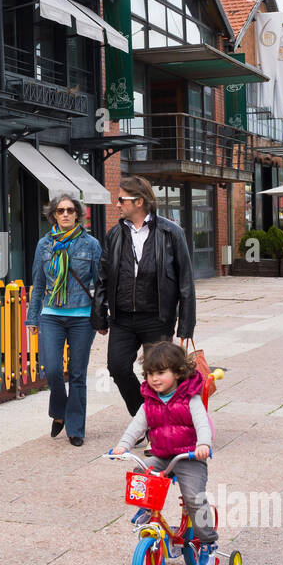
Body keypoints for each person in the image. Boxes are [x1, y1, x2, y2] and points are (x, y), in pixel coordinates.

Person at [92, 175, 196, 417]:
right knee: (117, 368)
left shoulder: (171, 233)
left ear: (139, 202)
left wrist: (186, 325)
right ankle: (146, 417)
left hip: (157, 317)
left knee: (159, 374)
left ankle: (161, 426)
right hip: (123, 318)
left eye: (121, 200)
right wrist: (98, 315)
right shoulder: (114, 235)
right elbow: (103, 277)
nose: (117, 204)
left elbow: (186, 282)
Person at [111, 341, 217, 565]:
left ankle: (208, 542)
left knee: (194, 498)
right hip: (162, 455)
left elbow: (203, 424)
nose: (154, 379)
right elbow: (136, 426)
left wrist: (203, 445)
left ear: (178, 373)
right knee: (141, 470)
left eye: (161, 373)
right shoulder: (149, 402)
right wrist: (123, 446)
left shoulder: (191, 399)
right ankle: (146, 509)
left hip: (189, 457)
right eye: (150, 374)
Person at [26, 194, 102, 446]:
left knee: (78, 374)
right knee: (53, 369)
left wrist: (103, 317)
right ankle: (59, 412)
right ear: (54, 215)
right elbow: (38, 283)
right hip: (51, 316)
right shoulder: (44, 245)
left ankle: (76, 428)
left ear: (78, 214)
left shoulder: (91, 244)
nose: (66, 214)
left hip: (82, 317)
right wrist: (32, 319)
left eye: (70, 210)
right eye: (60, 211)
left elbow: (100, 283)